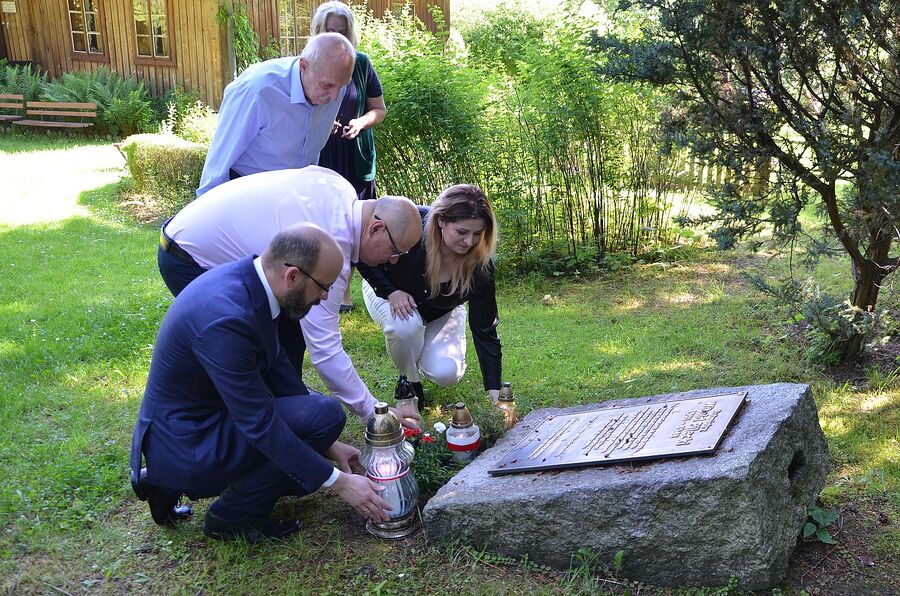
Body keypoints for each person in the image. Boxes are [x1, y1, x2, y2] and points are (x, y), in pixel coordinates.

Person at [130, 224, 392, 542]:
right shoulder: (227, 318)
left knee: (321, 419)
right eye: (323, 286)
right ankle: (230, 517)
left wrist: (324, 442)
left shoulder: (252, 282)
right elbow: (259, 425)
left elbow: (277, 368)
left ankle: (162, 480)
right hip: (188, 441)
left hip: (199, 422)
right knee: (321, 421)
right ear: (292, 276)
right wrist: (338, 481)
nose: (325, 297)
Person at [157, 166, 422, 424]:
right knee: (247, 346)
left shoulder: (341, 189)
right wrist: (373, 412)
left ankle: (294, 411)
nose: (394, 262)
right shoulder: (330, 247)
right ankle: (266, 423)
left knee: (289, 328)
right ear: (376, 228)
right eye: (396, 251)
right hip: (188, 257)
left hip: (188, 228)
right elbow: (326, 350)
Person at [358, 184, 503, 408]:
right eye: (462, 232)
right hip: (388, 293)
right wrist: (390, 291)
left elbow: (485, 329)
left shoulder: (479, 265)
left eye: (477, 234)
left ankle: (420, 349)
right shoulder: (411, 224)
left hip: (443, 308)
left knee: (447, 373)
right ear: (441, 221)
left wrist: (496, 395)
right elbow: (364, 253)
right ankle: (411, 383)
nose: (469, 242)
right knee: (406, 328)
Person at [196, 32, 356, 197]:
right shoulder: (257, 90)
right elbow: (218, 165)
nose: (335, 96)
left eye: (343, 85)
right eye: (326, 85)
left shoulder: (334, 85)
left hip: (296, 193)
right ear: (304, 66)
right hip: (247, 193)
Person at [310, 1, 387, 312]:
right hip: (319, 156)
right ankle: (320, 283)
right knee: (321, 222)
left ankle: (343, 291)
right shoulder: (307, 63)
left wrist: (360, 122)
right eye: (331, 31)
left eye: (343, 32)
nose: (338, 37)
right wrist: (318, 125)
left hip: (354, 155)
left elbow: (378, 110)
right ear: (319, 32)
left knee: (354, 222)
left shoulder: (362, 64)